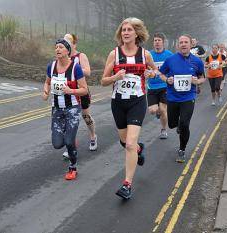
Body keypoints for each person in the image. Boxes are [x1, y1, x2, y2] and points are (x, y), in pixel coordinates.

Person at [101, 17, 157, 200]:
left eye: (129, 30)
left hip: (137, 102)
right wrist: (115, 77)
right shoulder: (114, 54)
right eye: (123, 30)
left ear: (137, 33)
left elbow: (154, 71)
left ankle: (127, 185)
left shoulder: (145, 54)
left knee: (130, 144)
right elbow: (103, 81)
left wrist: (152, 73)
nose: (125, 32)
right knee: (126, 143)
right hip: (118, 102)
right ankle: (139, 151)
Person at [42, 38, 88, 181]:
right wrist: (45, 92)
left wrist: (70, 90)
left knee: (68, 142)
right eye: (56, 47)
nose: (58, 49)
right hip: (57, 109)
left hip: (72, 108)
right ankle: (70, 139)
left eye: (61, 47)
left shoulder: (75, 68)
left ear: (68, 51)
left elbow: (84, 90)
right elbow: (47, 82)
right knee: (57, 144)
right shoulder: (51, 66)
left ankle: (73, 166)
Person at [159, 34, 205, 163]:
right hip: (173, 97)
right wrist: (167, 79)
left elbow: (202, 77)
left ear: (191, 45)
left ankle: (182, 149)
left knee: (185, 124)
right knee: (173, 124)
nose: (183, 44)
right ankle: (178, 125)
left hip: (188, 97)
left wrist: (197, 81)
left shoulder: (197, 61)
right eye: (181, 42)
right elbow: (161, 74)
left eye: (186, 42)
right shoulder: (170, 60)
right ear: (178, 45)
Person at [60, 33, 97, 160]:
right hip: (68, 92)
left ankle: (93, 135)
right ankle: (70, 147)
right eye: (64, 40)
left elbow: (88, 72)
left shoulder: (81, 56)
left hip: (81, 90)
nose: (66, 42)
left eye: (68, 40)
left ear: (74, 44)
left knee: (86, 116)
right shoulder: (62, 56)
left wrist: (75, 68)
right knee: (70, 119)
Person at [148, 32, 173, 139]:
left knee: (163, 110)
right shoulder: (148, 54)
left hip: (164, 86)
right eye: (155, 40)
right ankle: (158, 111)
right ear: (153, 43)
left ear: (163, 42)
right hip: (151, 86)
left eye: (159, 40)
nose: (157, 42)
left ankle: (163, 130)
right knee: (153, 110)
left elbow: (173, 68)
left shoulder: (169, 55)